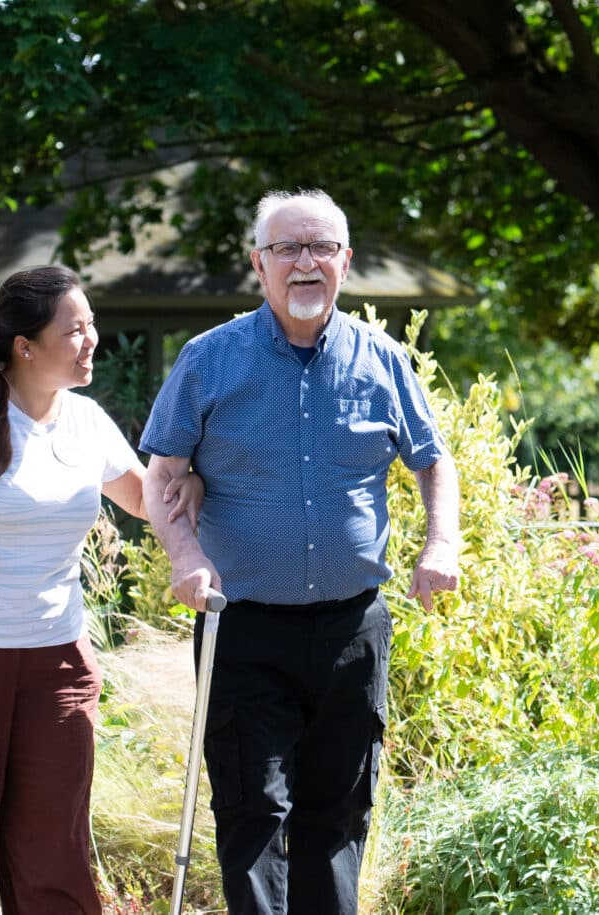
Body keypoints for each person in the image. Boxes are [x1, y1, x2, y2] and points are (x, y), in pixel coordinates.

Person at [139, 189, 462, 914]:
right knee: (253, 811)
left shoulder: (382, 361)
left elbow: (433, 460)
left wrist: (441, 538)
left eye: (321, 248)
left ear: (346, 263)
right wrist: (185, 556)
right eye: (288, 248)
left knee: (340, 816)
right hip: (243, 626)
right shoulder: (208, 360)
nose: (305, 262)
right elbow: (163, 474)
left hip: (353, 628)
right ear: (260, 265)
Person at [0, 265, 203, 915]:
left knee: (51, 836)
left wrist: (187, 482)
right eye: (76, 328)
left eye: (92, 325)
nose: (93, 339)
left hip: (55, 653)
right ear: (25, 346)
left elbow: (142, 497)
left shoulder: (85, 422)